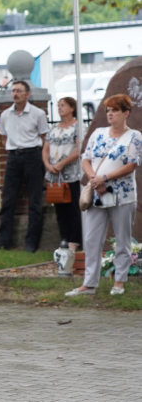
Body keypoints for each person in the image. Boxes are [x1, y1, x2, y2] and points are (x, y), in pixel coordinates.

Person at [66, 94, 141, 298]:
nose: (110, 113)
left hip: (123, 196)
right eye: (108, 110)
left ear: (126, 113)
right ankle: (89, 284)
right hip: (97, 194)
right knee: (91, 239)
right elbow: (85, 159)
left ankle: (119, 283)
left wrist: (105, 178)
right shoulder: (98, 133)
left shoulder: (134, 136)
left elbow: (131, 164)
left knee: (122, 240)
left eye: (115, 110)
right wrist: (94, 179)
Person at [0, 79, 50, 252]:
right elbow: (2, 137)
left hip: (33, 156)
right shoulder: (6, 115)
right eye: (13, 90)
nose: (15, 94)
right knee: (8, 200)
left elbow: (45, 137)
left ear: (27, 94)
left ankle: (31, 242)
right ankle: (3, 240)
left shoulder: (38, 114)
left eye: (19, 91)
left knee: (35, 202)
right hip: (13, 158)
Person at [43, 96, 83, 253]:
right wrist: (48, 164)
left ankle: (74, 240)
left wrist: (61, 164)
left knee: (73, 209)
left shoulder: (77, 127)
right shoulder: (53, 128)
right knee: (60, 209)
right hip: (55, 176)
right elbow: (46, 148)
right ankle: (64, 238)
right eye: (58, 105)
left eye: (63, 105)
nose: (59, 108)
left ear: (72, 108)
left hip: (71, 174)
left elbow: (79, 149)